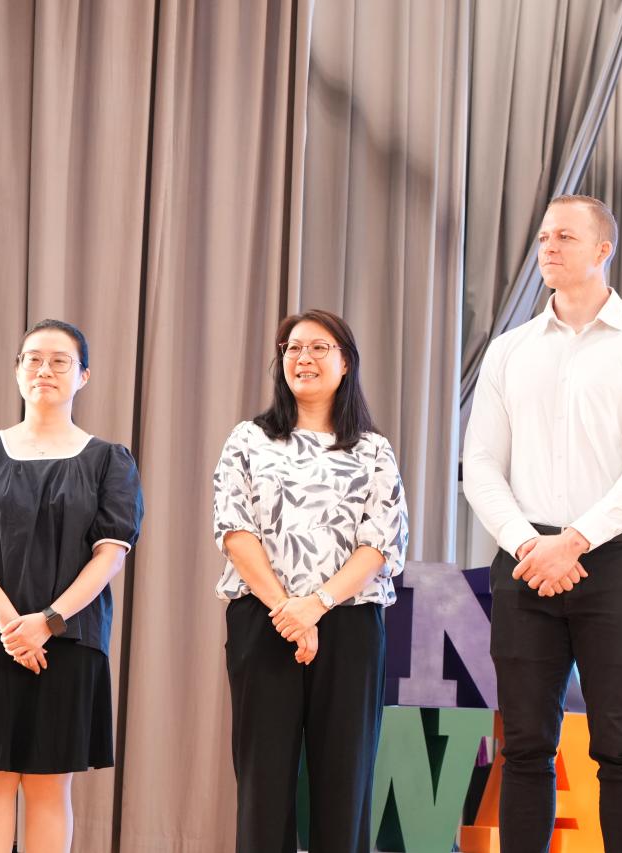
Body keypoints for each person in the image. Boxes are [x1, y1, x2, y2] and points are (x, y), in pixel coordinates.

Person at [462, 194, 622, 853]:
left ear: (602, 250)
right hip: (526, 560)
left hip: (611, 561)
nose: (549, 248)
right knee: (525, 745)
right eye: (543, 238)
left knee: (621, 745)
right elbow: (480, 464)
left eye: (564, 236)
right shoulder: (509, 351)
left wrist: (576, 541)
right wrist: (530, 545)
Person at [0, 319, 144, 853]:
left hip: (67, 641)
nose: (44, 370)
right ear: (17, 371)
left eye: (59, 361)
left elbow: (110, 555)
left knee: (50, 786)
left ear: (84, 375)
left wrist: (47, 622)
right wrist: (13, 626)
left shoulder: (109, 460)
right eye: (33, 359)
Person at [212, 309, 408, 853]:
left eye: (319, 348)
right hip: (264, 620)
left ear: (345, 363)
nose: (304, 358)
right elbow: (234, 531)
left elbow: (380, 544)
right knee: (263, 786)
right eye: (293, 348)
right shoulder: (248, 439)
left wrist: (315, 606)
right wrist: (288, 611)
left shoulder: (373, 449)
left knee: (345, 785)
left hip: (349, 626)